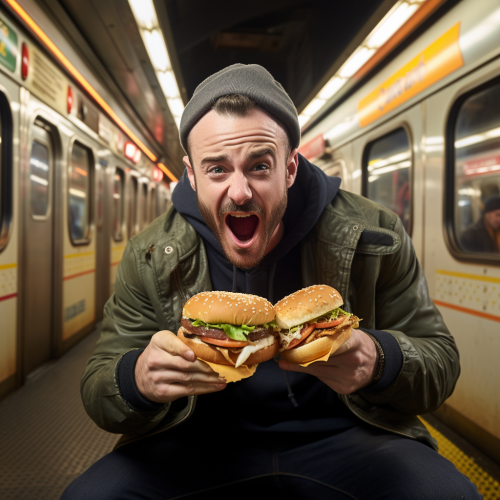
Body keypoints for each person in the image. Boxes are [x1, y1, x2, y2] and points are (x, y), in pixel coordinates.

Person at [62, 65, 481, 499]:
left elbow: (441, 363)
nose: (240, 191)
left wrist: (381, 360)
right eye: (217, 169)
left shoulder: (374, 235)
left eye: (259, 166)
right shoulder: (150, 254)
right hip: (196, 440)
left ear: (291, 167)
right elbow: (98, 388)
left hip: (350, 435)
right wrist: (138, 380)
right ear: (191, 174)